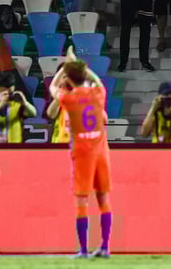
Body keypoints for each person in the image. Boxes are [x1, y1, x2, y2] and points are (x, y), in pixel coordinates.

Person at [50, 49, 114, 258]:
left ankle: (84, 250)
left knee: (82, 201)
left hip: (82, 153)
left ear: (69, 78)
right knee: (103, 199)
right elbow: (98, 81)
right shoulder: (98, 93)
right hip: (101, 152)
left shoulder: (68, 99)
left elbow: (52, 87)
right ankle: (105, 247)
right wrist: (80, 66)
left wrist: (65, 69)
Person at [0, 70, 37, 144]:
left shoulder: (17, 102)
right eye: (2, 91)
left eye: (10, 92)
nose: (7, 95)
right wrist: (0, 106)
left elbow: (33, 114)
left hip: (14, 147)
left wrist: (25, 103)